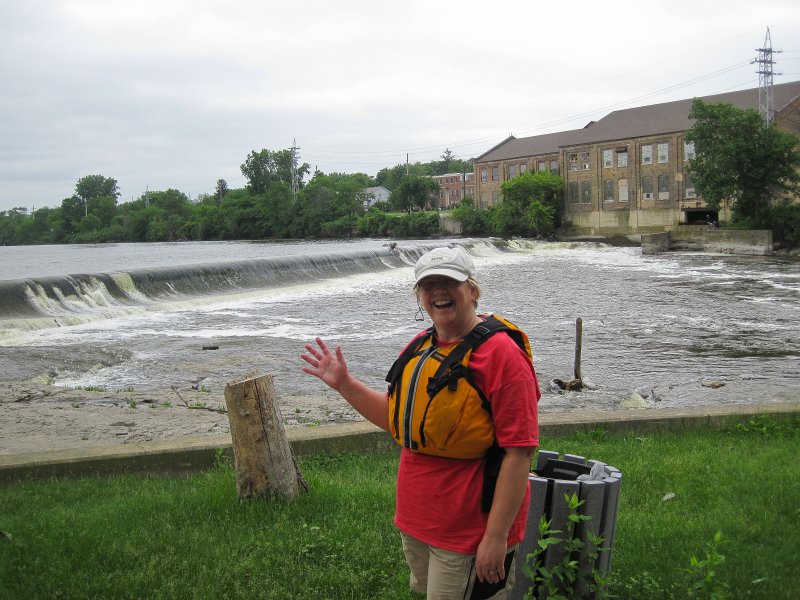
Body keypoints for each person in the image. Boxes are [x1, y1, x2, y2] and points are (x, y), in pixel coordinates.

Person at [301, 246, 540, 599]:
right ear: (418, 296)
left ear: (472, 290)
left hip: (468, 529)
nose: (438, 292)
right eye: (429, 285)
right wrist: (345, 385)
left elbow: (519, 453)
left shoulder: (503, 356)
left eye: (450, 282)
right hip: (418, 521)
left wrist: (495, 536)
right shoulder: (420, 346)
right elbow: (400, 422)